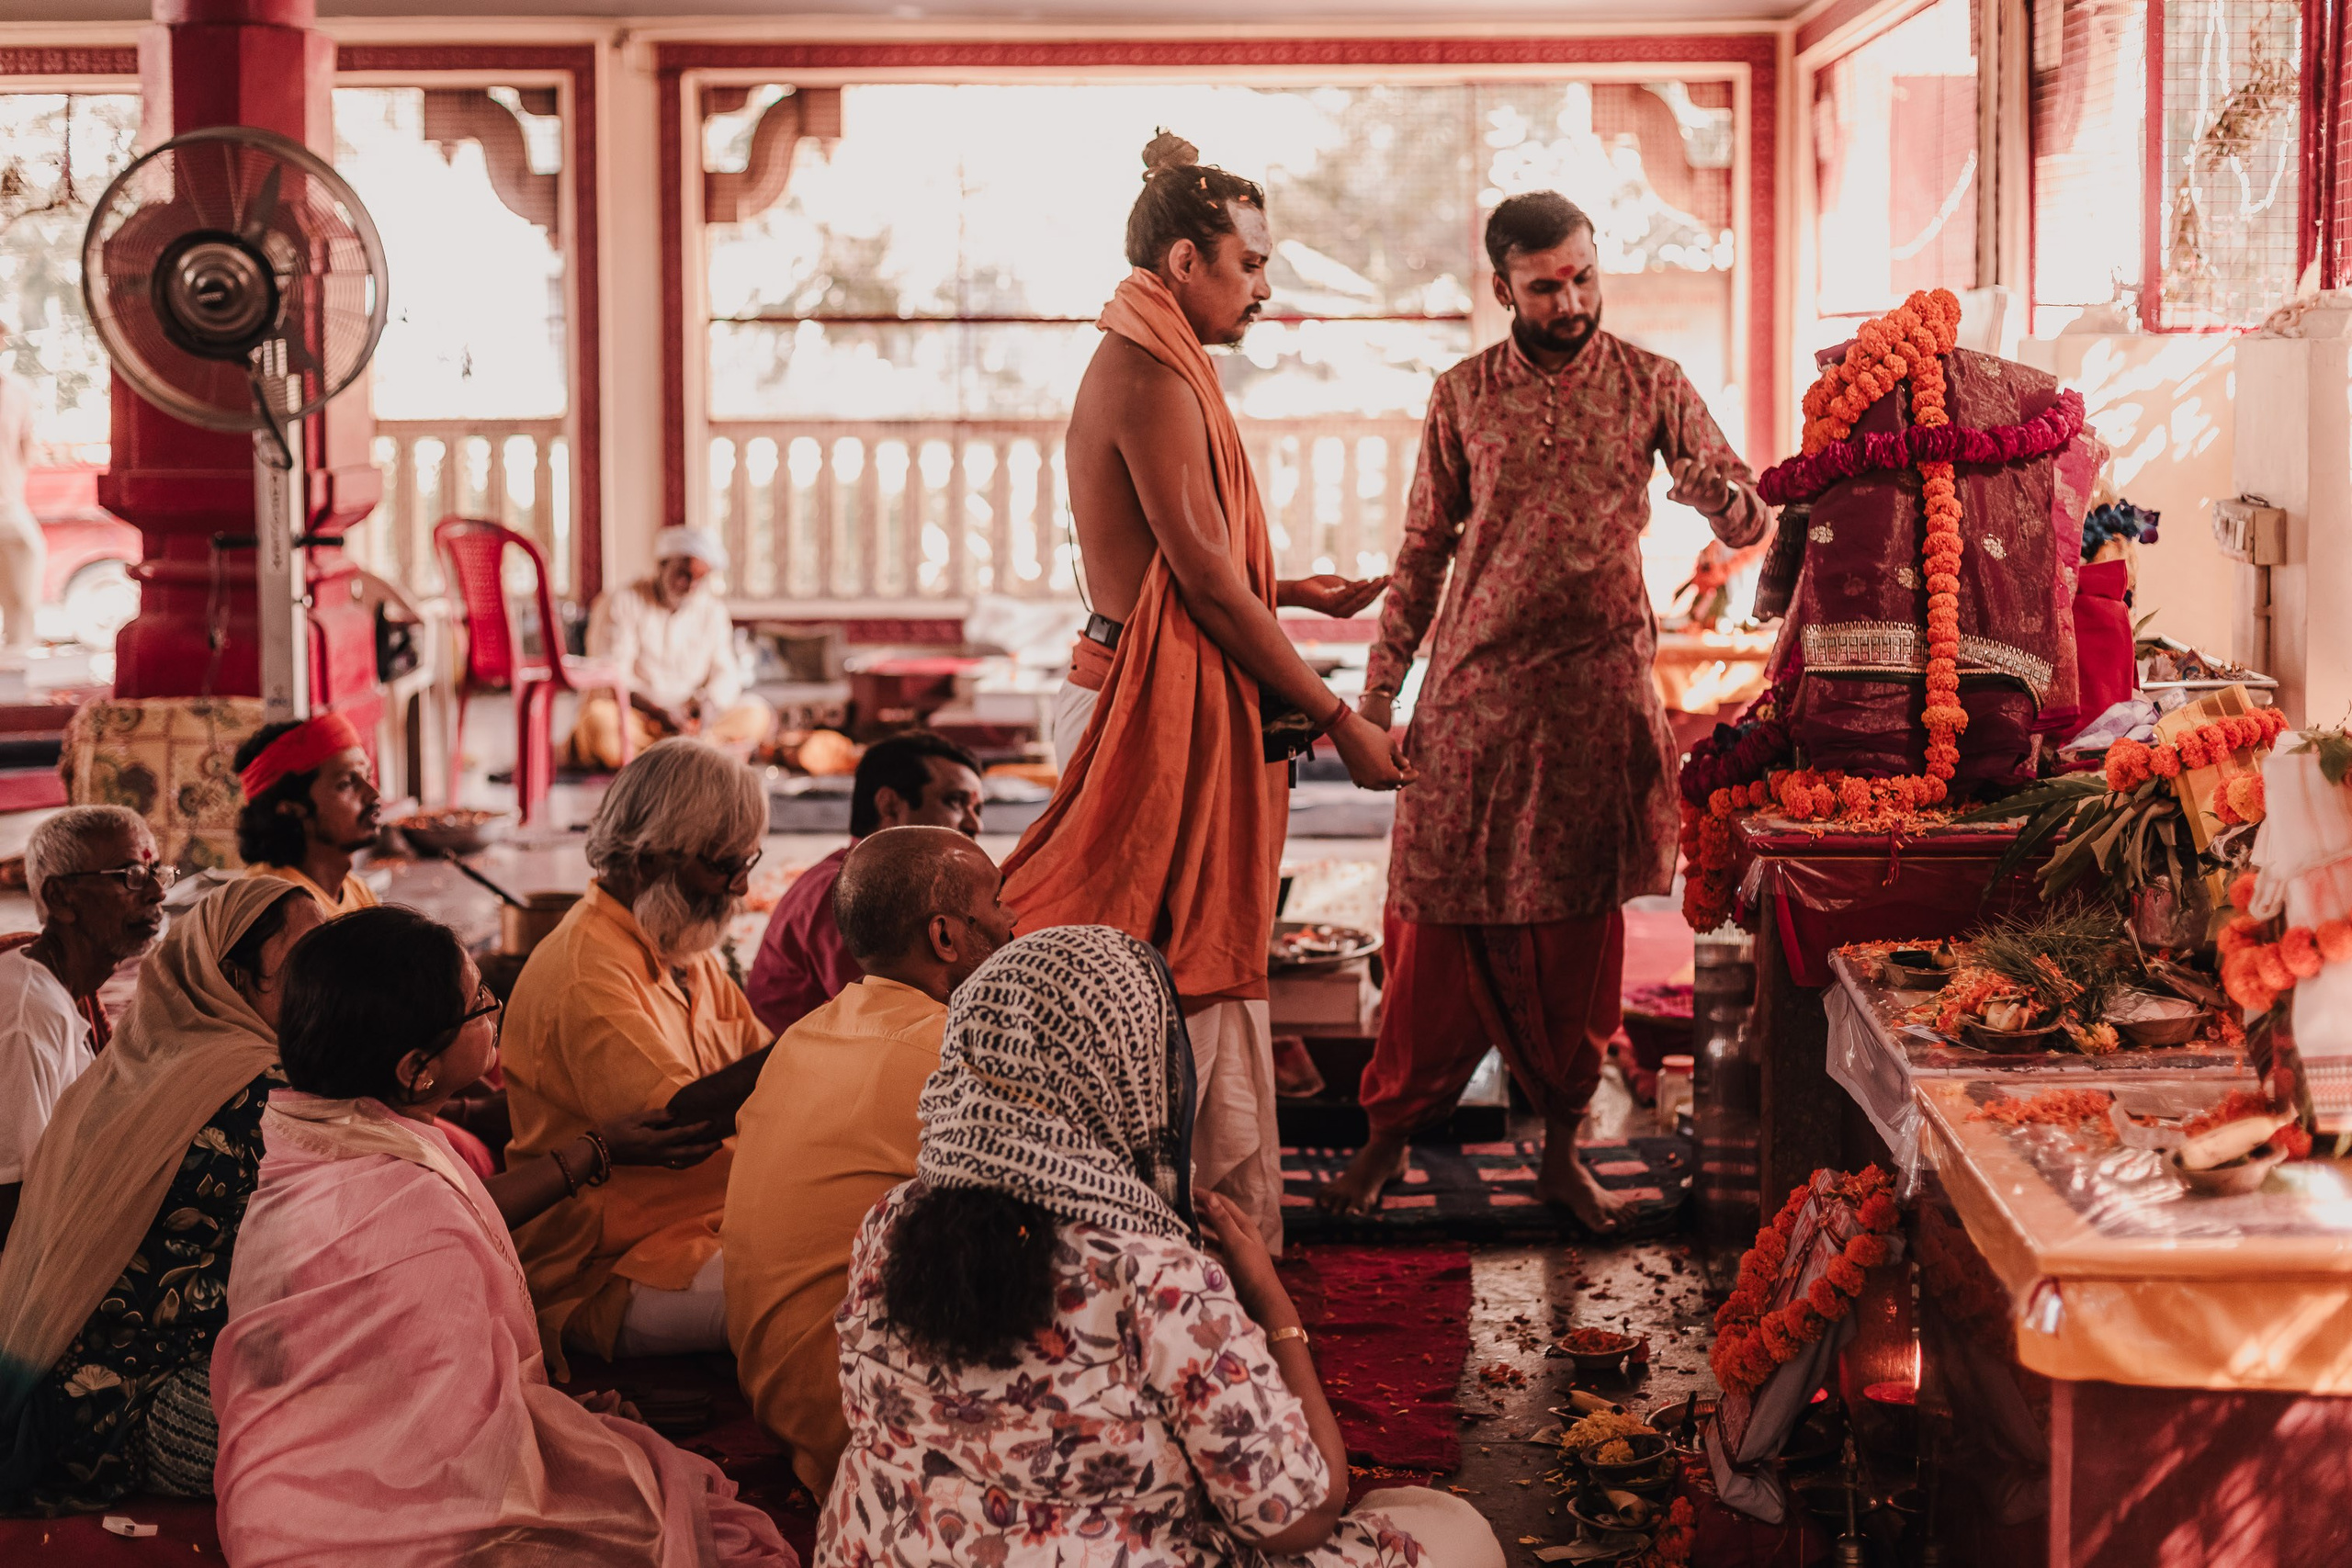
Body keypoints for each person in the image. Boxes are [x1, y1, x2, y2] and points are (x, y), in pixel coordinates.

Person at [1000, 131, 1413, 1255]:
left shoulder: (1158, 354)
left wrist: (1288, 587)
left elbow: (1205, 573)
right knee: (1149, 986)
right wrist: (1340, 720)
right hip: (1139, 705)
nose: (1266, 290)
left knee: (1184, 983)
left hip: (1149, 682)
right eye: (1252, 264)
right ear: (1187, 261)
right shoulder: (1143, 370)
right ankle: (1153, 1258)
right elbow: (1206, 593)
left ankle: (1195, 1250)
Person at [1320, 192, 1768, 1227]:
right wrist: (1377, 699)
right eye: (1544, 286)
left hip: (1596, 698)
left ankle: (1563, 1146)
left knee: (1577, 932)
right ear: (1501, 289)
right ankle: (1387, 1135)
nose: (1570, 301)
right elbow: (1423, 550)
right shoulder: (1463, 394)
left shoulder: (1652, 383)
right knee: (1435, 918)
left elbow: (1747, 517)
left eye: (1582, 277)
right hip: (1475, 693)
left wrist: (1715, 495)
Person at [821, 925, 1502, 1568]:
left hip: (882, 1546)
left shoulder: (893, 1220)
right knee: (1455, 1529)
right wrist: (1271, 1298)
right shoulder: (1151, 1274)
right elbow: (1299, 1513)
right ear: (1123, 1073)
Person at [210, 907, 788, 1568]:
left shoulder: (313, 1144)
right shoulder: (414, 1207)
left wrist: (549, 1411)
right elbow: (462, 1452)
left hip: (270, 1503)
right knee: (683, 1516)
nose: (497, 1006)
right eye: (478, 1002)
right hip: (379, 1533)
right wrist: (556, 1428)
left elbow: (397, 1385)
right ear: (415, 1069)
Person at [0, 878, 321, 1510]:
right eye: (306, 964)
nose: (331, 982)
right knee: (378, 1404)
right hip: (134, 1414)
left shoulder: (132, 1063)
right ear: (235, 975)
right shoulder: (262, 1089)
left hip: (54, 1401)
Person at [724, 825, 1012, 1495]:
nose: (1013, 920)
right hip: (865, 1430)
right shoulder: (951, 1047)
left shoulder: (808, 1032)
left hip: (781, 1403)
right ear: (945, 936)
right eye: (998, 901)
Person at [502, 739, 775, 1371]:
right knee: (826, 1294)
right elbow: (679, 1123)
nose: (740, 884)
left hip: (715, 1222)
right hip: (612, 1267)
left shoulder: (681, 950)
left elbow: (767, 1078)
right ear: (649, 858)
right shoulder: (587, 972)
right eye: (723, 863)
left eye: (746, 860)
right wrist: (824, 1030)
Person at [0, 807, 169, 1245]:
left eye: (155, 872)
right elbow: (12, 1211)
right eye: (131, 874)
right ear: (60, 899)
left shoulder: (64, 989)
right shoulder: (27, 1017)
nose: (156, 893)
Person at [743, 730, 985, 1033]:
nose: (975, 825)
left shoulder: (888, 885)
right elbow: (883, 1020)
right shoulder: (847, 889)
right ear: (890, 806)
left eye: (977, 809)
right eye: (955, 802)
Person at [567, 526, 774, 770]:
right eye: (684, 575)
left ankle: (671, 755)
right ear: (662, 566)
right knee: (599, 723)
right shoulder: (622, 601)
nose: (691, 586)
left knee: (756, 712)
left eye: (700, 579)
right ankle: (697, 755)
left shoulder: (712, 611)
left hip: (691, 723)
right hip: (638, 718)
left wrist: (708, 707)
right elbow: (610, 675)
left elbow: (726, 673)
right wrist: (658, 711)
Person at [232, 713, 383, 915]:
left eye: (368, 776)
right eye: (346, 783)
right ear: (292, 808)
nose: (373, 794)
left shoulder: (357, 892)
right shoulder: (277, 907)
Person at [0, 325, 42, 665]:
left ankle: (16, 662)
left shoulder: (16, 391)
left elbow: (26, 445)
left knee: (24, 585)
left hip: (8, 506)